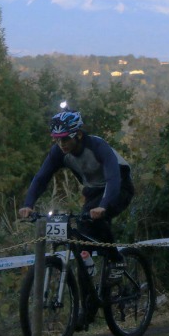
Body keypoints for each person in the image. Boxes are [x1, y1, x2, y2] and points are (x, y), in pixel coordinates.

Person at [19, 108, 134, 278]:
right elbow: (41, 178)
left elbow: (113, 178)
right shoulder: (59, 152)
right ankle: (90, 293)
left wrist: (103, 206)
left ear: (78, 134)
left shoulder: (97, 146)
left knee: (98, 218)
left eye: (65, 139)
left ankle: (116, 260)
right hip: (93, 191)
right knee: (82, 234)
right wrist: (28, 204)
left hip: (119, 186)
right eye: (57, 140)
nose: (61, 144)